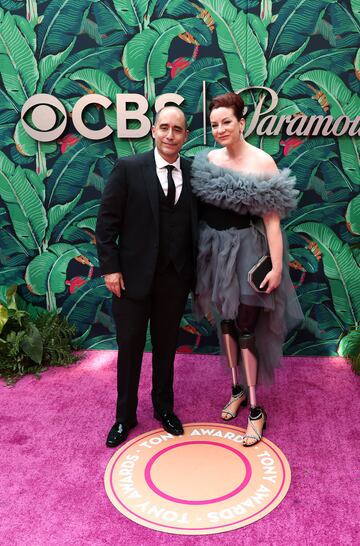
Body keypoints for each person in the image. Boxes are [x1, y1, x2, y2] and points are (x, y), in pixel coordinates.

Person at [190, 92, 303, 446]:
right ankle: (236, 389)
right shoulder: (208, 159)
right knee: (225, 323)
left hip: (249, 254)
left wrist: (277, 268)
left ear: (242, 122)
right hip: (212, 253)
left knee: (247, 329)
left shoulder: (263, 163)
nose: (220, 129)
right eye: (214, 124)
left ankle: (256, 409)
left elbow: (272, 224)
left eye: (227, 122)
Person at [96, 106, 198, 447]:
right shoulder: (129, 168)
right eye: (164, 128)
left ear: (186, 135)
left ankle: (164, 408)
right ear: (154, 130)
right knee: (130, 349)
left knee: (167, 348)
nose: (170, 135)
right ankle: (124, 417)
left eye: (178, 129)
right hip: (131, 279)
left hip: (174, 278)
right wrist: (111, 268)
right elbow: (106, 223)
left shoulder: (194, 171)